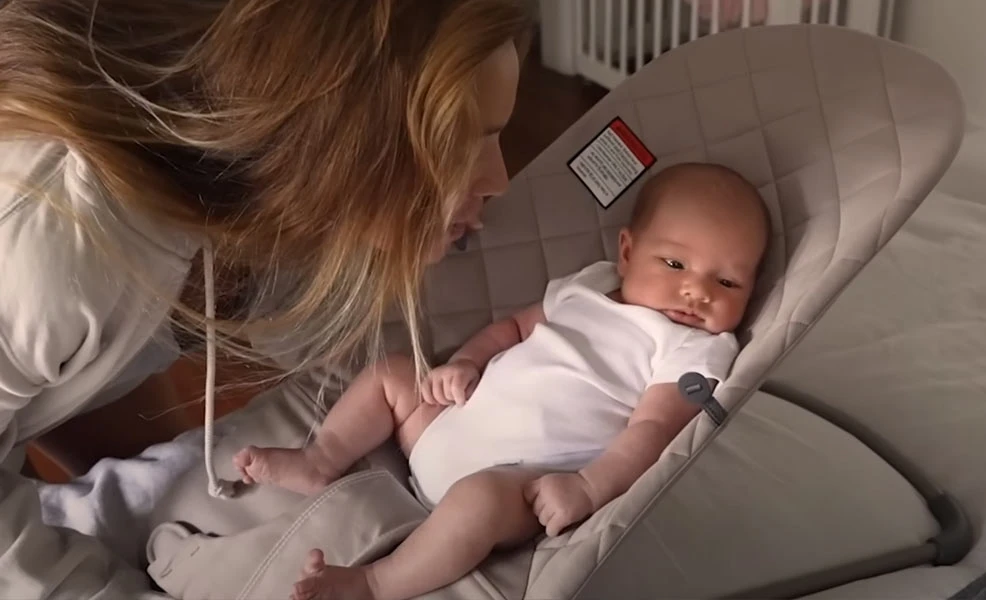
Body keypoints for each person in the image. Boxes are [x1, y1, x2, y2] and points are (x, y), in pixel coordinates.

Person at [0, 1, 532, 597]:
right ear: (345, 140)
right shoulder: (55, 239)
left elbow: (102, 351)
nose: (500, 180)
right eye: (471, 141)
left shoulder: (259, 181)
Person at [234, 162, 772, 600]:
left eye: (726, 281)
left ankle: (376, 582)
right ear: (627, 252)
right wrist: (464, 364)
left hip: (520, 480)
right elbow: (511, 328)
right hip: (447, 427)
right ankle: (322, 458)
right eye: (675, 262)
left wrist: (586, 488)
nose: (696, 293)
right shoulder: (590, 285)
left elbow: (652, 432)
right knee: (392, 374)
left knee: (478, 505)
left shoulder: (694, 348)